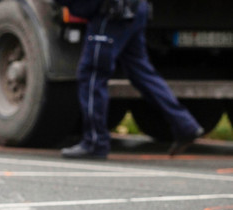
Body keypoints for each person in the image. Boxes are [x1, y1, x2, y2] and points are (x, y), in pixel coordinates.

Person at [56, 0, 203, 159]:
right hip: (134, 8)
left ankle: (95, 142)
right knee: (141, 72)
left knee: (92, 75)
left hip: (112, 12)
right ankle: (184, 124)